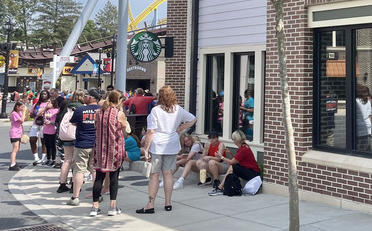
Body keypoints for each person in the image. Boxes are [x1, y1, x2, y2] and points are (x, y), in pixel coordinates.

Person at [136, 86, 196, 214]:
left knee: (154, 175)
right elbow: (193, 119)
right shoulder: (178, 109)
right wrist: (180, 128)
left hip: (158, 145)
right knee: (168, 174)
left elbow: (151, 131)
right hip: (172, 144)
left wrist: (146, 149)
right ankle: (168, 203)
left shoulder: (156, 111)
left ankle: (150, 204)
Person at [89, 89, 127, 217]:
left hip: (100, 148)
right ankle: (112, 207)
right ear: (118, 100)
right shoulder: (118, 113)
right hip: (114, 148)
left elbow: (95, 126)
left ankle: (94, 207)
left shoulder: (98, 112)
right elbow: (125, 129)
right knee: (114, 177)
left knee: (99, 177)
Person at [66, 89, 101, 206]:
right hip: (96, 144)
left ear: (90, 98)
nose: (84, 97)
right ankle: (97, 195)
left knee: (79, 170)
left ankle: (75, 197)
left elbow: (74, 123)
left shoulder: (80, 110)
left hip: (82, 143)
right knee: (94, 170)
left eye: (86, 96)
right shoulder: (101, 110)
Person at [210, 130, 261, 196]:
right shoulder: (244, 146)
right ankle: (226, 186)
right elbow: (237, 160)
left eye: (233, 139)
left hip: (253, 173)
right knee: (231, 166)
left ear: (236, 140)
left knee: (232, 166)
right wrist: (230, 153)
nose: (233, 141)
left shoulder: (243, 149)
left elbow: (232, 161)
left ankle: (220, 188)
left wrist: (221, 157)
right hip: (249, 170)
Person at [57, 90, 85, 193]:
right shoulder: (82, 107)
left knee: (67, 160)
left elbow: (60, 119)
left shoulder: (67, 107)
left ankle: (62, 184)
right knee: (76, 161)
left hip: (66, 136)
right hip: (76, 135)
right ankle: (74, 184)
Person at [29, 90, 50, 165]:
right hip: (36, 123)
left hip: (45, 124)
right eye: (42, 94)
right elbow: (31, 115)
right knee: (32, 139)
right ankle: (36, 158)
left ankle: (44, 158)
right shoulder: (36, 104)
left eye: (45, 94)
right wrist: (34, 113)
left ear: (48, 95)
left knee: (44, 141)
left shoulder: (49, 104)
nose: (43, 95)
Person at [8, 101, 28, 171]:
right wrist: (24, 111)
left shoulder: (19, 113)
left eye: (23, 107)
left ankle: (14, 162)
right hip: (14, 133)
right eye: (21, 107)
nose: (22, 108)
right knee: (15, 149)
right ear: (17, 107)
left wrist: (26, 113)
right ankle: (12, 164)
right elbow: (21, 120)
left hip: (18, 132)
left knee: (17, 148)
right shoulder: (14, 113)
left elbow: (25, 119)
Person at [42, 98, 60, 167]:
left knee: (52, 145)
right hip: (45, 129)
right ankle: (48, 158)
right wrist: (45, 108)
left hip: (52, 130)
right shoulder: (46, 110)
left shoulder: (56, 111)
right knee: (47, 145)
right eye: (47, 101)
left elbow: (57, 121)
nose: (48, 103)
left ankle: (53, 159)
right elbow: (39, 113)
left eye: (49, 102)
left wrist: (51, 122)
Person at [355, 84, 372, 151]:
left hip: (358, 126)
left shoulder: (356, 101)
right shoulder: (367, 101)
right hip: (367, 126)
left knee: (357, 147)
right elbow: (370, 115)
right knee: (365, 147)